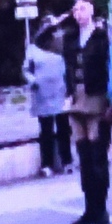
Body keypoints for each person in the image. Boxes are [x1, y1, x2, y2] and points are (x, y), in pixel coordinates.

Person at [61, 0, 112, 224]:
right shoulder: (70, 37)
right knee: (83, 157)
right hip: (76, 99)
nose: (78, 13)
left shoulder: (102, 36)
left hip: (97, 98)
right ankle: (89, 209)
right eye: (75, 10)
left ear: (92, 9)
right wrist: (60, 20)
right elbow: (42, 40)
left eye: (82, 8)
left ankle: (101, 209)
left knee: (97, 156)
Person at [25, 31, 70, 174]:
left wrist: (70, 87)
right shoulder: (32, 50)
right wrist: (33, 81)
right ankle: (47, 164)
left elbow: (68, 68)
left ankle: (67, 161)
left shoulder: (60, 48)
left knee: (63, 128)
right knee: (46, 131)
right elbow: (26, 70)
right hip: (42, 96)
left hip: (60, 93)